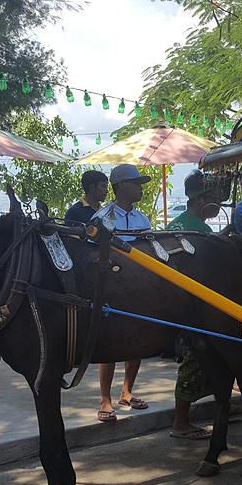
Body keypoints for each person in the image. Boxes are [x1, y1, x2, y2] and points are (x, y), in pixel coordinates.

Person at [166, 171, 225, 439]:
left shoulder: (173, 225)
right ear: (200, 200)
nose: (217, 203)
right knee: (196, 359)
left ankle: (223, 406)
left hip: (173, 303)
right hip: (194, 308)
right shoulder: (201, 232)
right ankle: (180, 422)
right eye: (213, 198)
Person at [92, 164, 152, 422]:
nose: (140, 187)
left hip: (138, 287)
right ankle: (105, 398)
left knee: (137, 339)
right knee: (109, 343)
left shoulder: (143, 219)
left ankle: (127, 391)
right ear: (121, 187)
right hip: (112, 287)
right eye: (136, 183)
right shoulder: (102, 218)